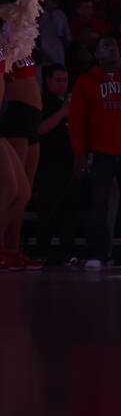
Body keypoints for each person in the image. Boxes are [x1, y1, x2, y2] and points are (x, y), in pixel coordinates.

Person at [69, 38, 121, 270]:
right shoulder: (86, 81)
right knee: (99, 205)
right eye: (104, 45)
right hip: (101, 151)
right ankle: (96, 253)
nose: (111, 49)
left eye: (114, 46)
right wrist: (79, 153)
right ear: (96, 54)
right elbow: (76, 120)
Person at [33, 65, 79, 265]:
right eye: (58, 80)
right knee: (48, 209)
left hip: (68, 163)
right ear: (48, 81)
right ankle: (41, 251)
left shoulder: (70, 103)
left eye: (66, 80)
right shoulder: (41, 102)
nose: (63, 84)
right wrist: (62, 113)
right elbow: (38, 129)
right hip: (48, 164)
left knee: (69, 210)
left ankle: (67, 252)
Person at [1, 55, 44, 270]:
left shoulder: (21, 39)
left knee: (24, 192)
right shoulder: (7, 41)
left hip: (32, 116)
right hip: (15, 114)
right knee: (11, 190)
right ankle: (3, 247)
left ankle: (12, 248)